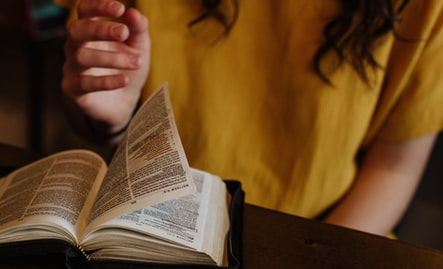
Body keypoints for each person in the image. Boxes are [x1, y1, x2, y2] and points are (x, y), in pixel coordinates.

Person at [56, 0, 443, 237]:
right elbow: (98, 121)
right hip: (154, 233)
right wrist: (110, 118)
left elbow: (395, 169)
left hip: (334, 243)